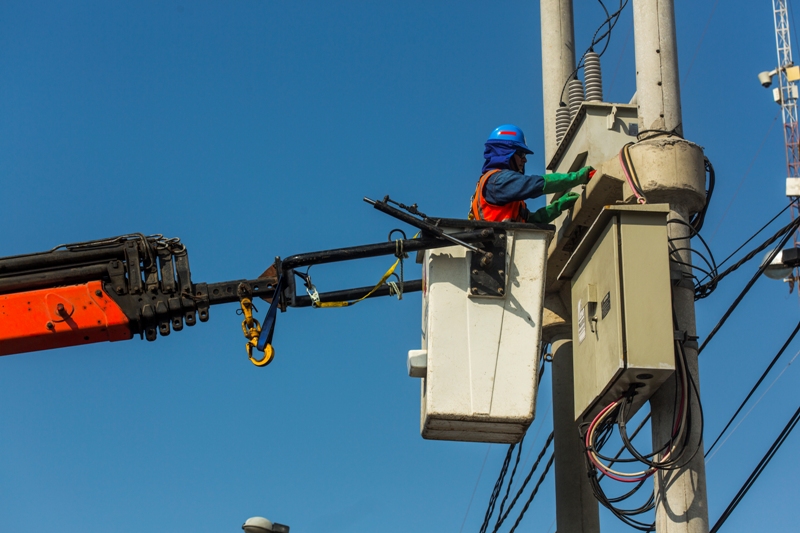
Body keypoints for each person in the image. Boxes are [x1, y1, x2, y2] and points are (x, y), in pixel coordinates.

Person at [469, 124, 594, 223]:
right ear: (505, 153)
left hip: (506, 247)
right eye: (521, 154)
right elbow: (533, 184)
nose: (525, 159)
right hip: (500, 247)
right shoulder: (497, 181)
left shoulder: (498, 184)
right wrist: (577, 178)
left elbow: (529, 220)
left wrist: (557, 207)